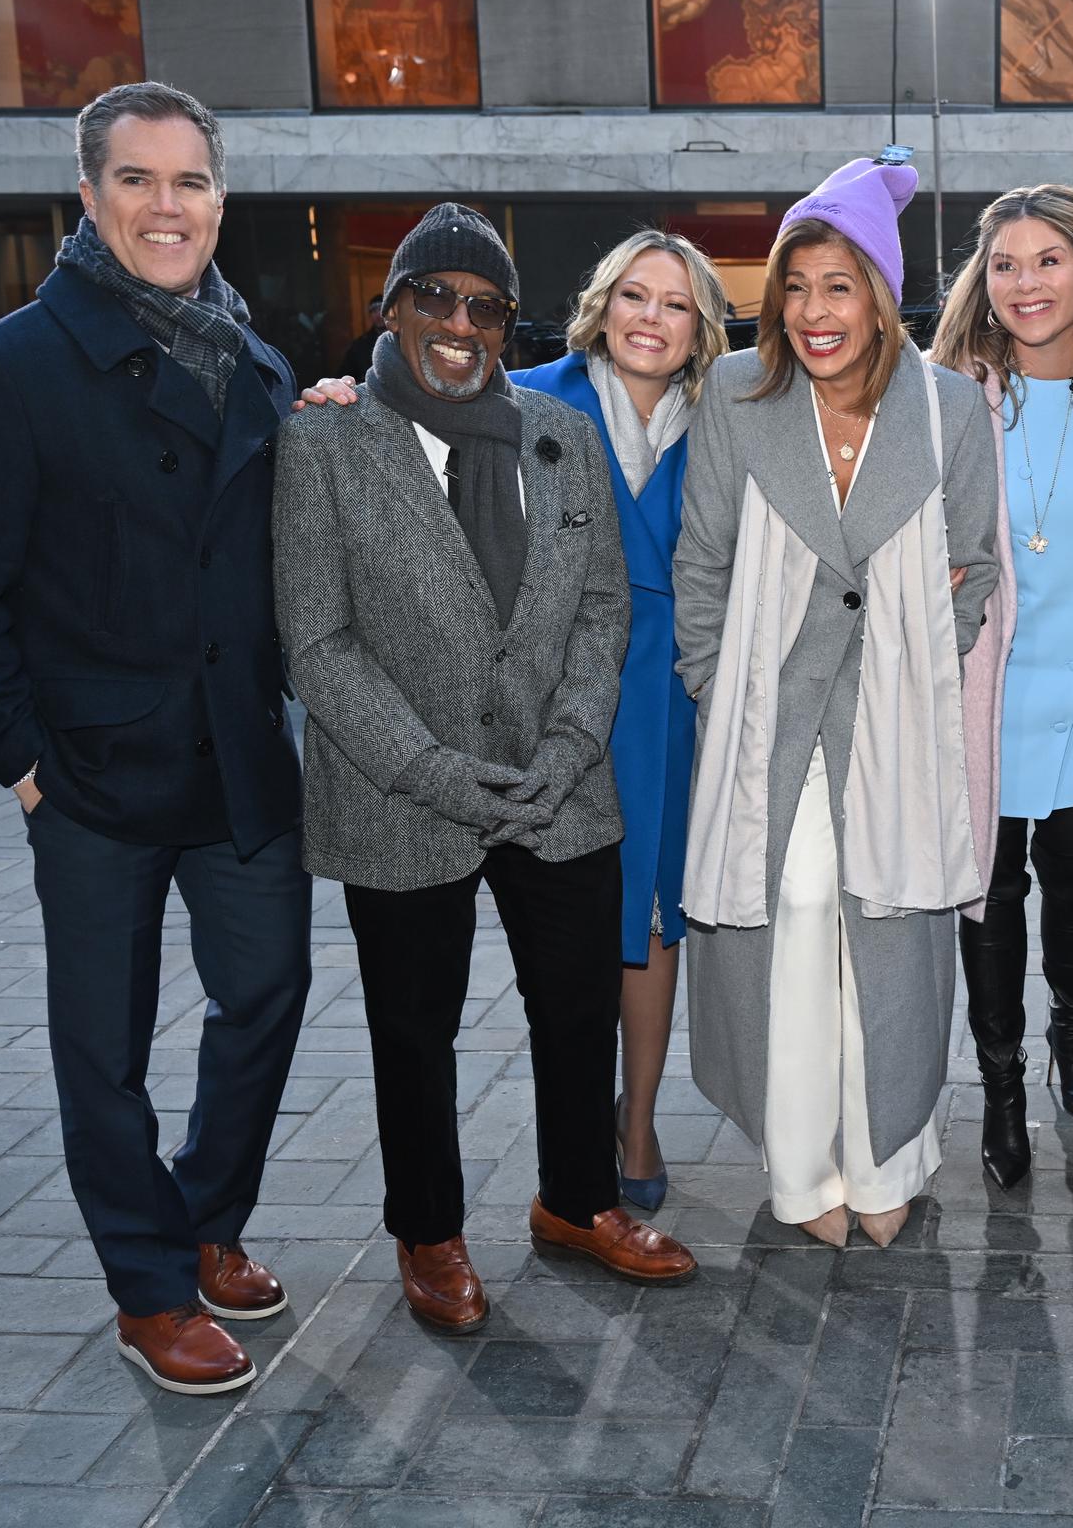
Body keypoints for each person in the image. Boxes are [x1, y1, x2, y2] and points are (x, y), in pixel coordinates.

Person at [0, 82, 311, 1395]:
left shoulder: (256, 360)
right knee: (104, 1047)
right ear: (87, 195)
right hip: (88, 773)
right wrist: (18, 761)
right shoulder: (2, 366)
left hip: (238, 763)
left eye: (190, 182)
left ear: (220, 201)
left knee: (269, 994)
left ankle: (198, 1214)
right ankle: (147, 1283)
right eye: (137, 180)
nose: (167, 207)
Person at [273, 203, 697, 1336]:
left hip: (561, 792)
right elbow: (316, 641)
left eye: (485, 306)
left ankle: (578, 1200)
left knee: (574, 1011)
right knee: (414, 1027)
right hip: (401, 797)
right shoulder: (323, 441)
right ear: (392, 306)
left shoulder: (562, 434)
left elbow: (605, 605)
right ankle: (429, 1229)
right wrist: (428, 768)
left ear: (510, 323)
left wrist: (568, 747)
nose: (459, 323)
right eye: (435, 297)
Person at [673, 156, 999, 1248]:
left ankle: (888, 1157)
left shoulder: (950, 409)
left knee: (895, 934)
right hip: (771, 720)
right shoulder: (734, 393)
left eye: (839, 285)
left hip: (892, 722)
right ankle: (802, 1165)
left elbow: (978, 566)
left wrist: (921, 663)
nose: (814, 312)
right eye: (797, 286)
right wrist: (722, 690)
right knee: (800, 914)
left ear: (880, 293)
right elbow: (703, 563)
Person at [930, 184, 1073, 1187]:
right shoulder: (949, 391)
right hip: (979, 684)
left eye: (1047, 260)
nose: (1026, 282)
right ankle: (1001, 1085)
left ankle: (1072, 1035)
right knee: (989, 891)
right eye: (1005, 264)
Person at [336, 293, 385, 380]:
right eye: (374, 311)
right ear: (369, 316)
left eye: (381, 309)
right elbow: (343, 375)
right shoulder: (359, 345)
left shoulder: (402, 339)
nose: (378, 315)